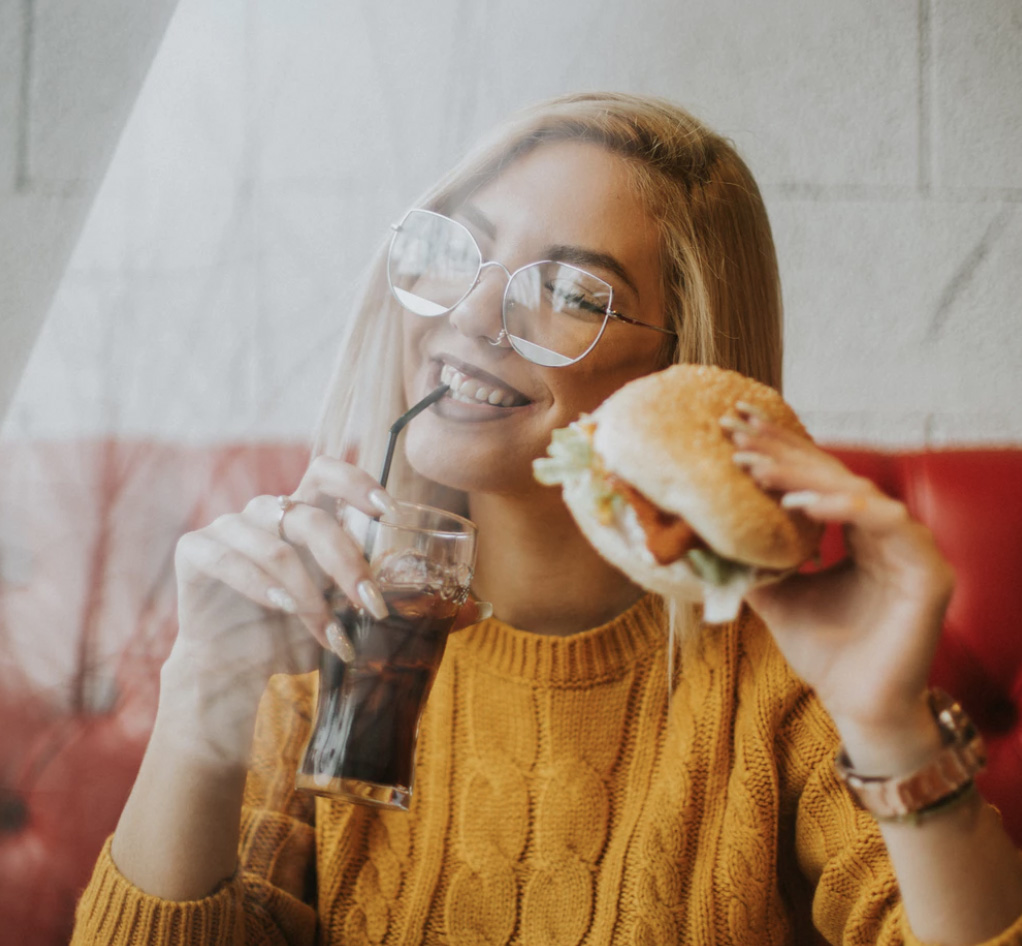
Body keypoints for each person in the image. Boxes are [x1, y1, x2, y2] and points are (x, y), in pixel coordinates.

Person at [72, 92, 1022, 945]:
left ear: (681, 369)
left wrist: (890, 725)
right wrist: (200, 699)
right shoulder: (311, 619)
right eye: (461, 252)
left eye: (571, 293)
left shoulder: (779, 681)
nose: (473, 314)